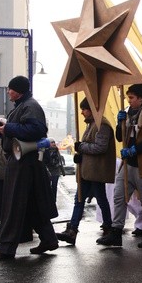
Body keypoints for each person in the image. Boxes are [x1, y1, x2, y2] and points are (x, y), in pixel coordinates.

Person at [0, 75, 58, 261]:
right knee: (33, 203)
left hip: (23, 161)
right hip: (24, 161)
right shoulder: (24, 106)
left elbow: (37, 130)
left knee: (13, 204)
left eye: (10, 89)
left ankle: (6, 247)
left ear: (18, 90)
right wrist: (4, 129)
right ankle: (49, 239)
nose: (8, 92)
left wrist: (8, 128)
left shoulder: (30, 106)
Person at [96, 82, 142, 248]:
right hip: (127, 165)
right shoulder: (127, 113)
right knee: (119, 197)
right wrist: (120, 123)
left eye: (131, 97)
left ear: (140, 98)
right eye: (128, 97)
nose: (129, 100)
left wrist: (134, 150)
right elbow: (120, 137)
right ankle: (116, 232)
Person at [56, 97, 116, 245]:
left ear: (92, 110)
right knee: (79, 200)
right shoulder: (91, 124)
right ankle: (72, 230)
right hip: (87, 171)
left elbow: (100, 147)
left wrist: (81, 147)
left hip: (95, 171)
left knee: (101, 199)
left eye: (84, 109)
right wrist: (79, 155)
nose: (82, 112)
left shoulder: (102, 124)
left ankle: (108, 228)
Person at [43, 138, 65, 203]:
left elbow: (60, 162)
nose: (53, 144)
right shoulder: (46, 151)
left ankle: (53, 201)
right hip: (48, 171)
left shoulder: (56, 150)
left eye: (54, 142)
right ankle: (49, 201)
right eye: (52, 142)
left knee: (54, 186)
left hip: (56, 171)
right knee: (48, 187)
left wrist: (62, 171)